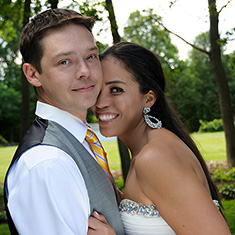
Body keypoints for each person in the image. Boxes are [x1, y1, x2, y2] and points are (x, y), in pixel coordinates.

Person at [89, 42, 231, 234]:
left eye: (116, 90)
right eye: (96, 90)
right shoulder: (149, 149)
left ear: (148, 99)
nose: (100, 102)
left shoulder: (155, 157)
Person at [4, 9, 124, 235]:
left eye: (90, 56)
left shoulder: (81, 139)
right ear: (33, 75)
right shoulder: (48, 163)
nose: (84, 71)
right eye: (64, 61)